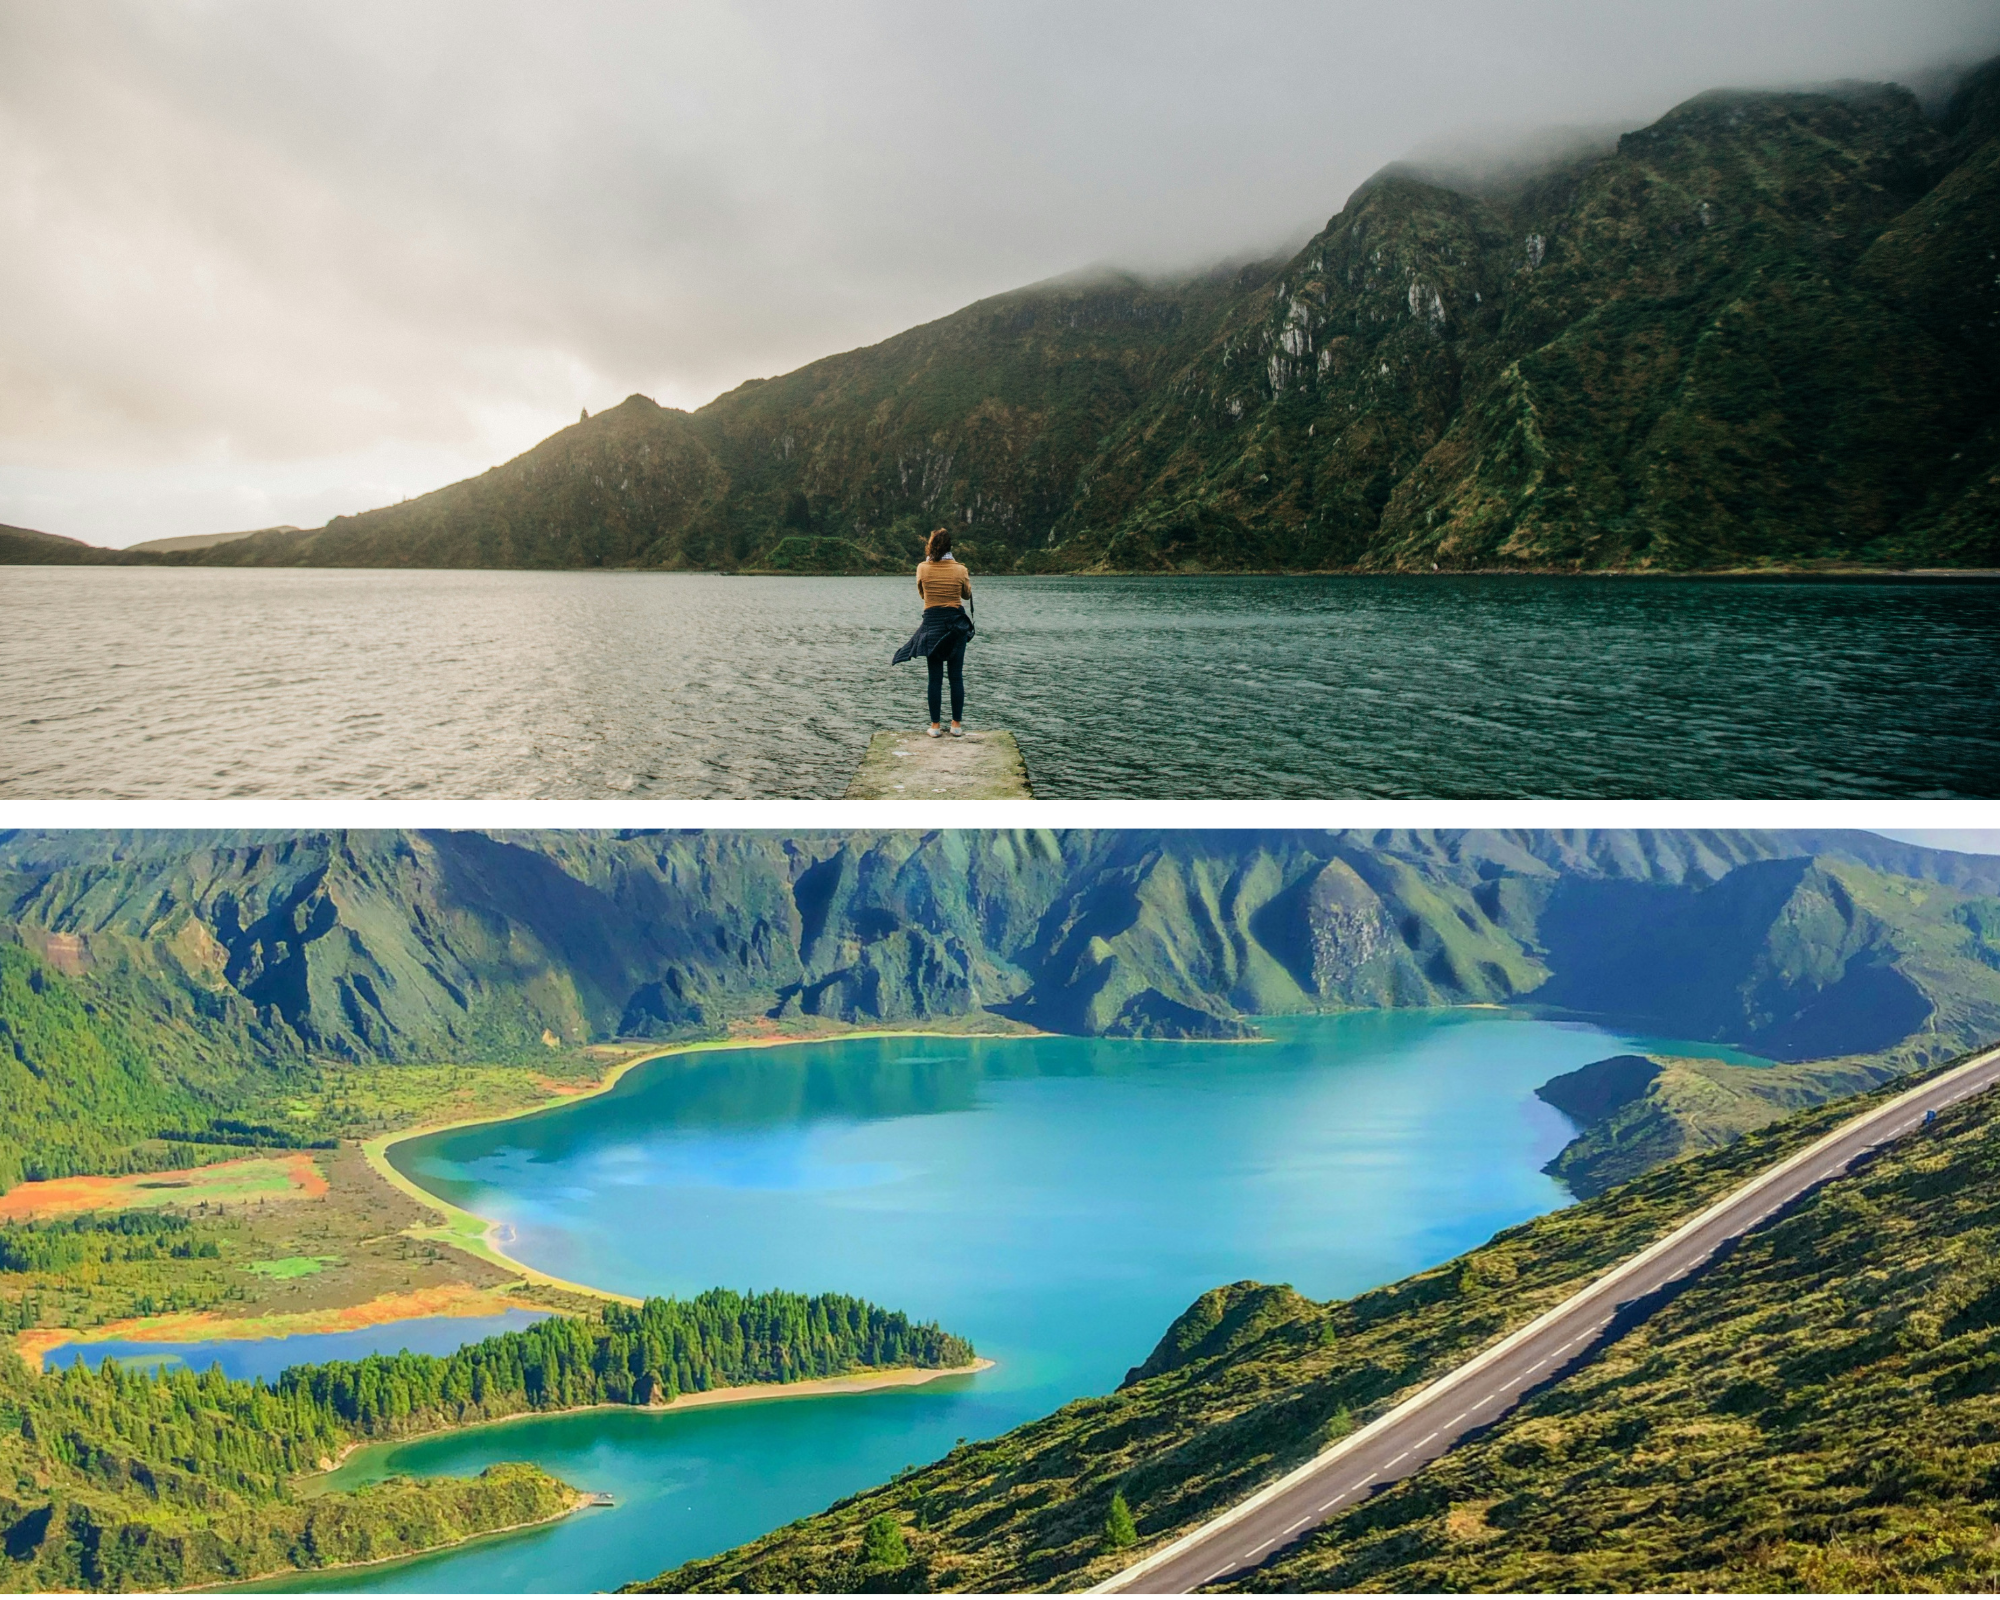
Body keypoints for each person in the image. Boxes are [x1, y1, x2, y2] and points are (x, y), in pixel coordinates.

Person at [890, 526, 975, 737]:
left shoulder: (922, 568)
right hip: (956, 627)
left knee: (934, 679)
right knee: (956, 677)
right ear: (950, 547)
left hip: (932, 626)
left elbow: (922, 594)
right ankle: (956, 726)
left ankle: (935, 727)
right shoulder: (961, 569)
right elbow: (966, 595)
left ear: (931, 546)